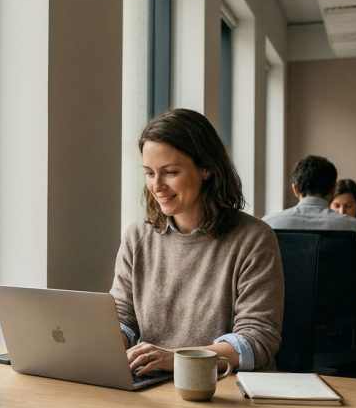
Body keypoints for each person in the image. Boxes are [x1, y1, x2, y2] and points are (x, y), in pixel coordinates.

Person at [111, 108, 284, 376]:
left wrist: (177, 358)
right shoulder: (137, 236)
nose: (156, 185)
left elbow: (258, 339)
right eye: (149, 172)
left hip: (221, 391)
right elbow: (123, 317)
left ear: (206, 168)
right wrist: (110, 345)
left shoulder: (253, 238)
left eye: (169, 172)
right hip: (150, 385)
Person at [263, 156, 356, 300]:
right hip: (342, 321)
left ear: (295, 189)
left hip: (282, 321)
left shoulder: (268, 225)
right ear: (333, 189)